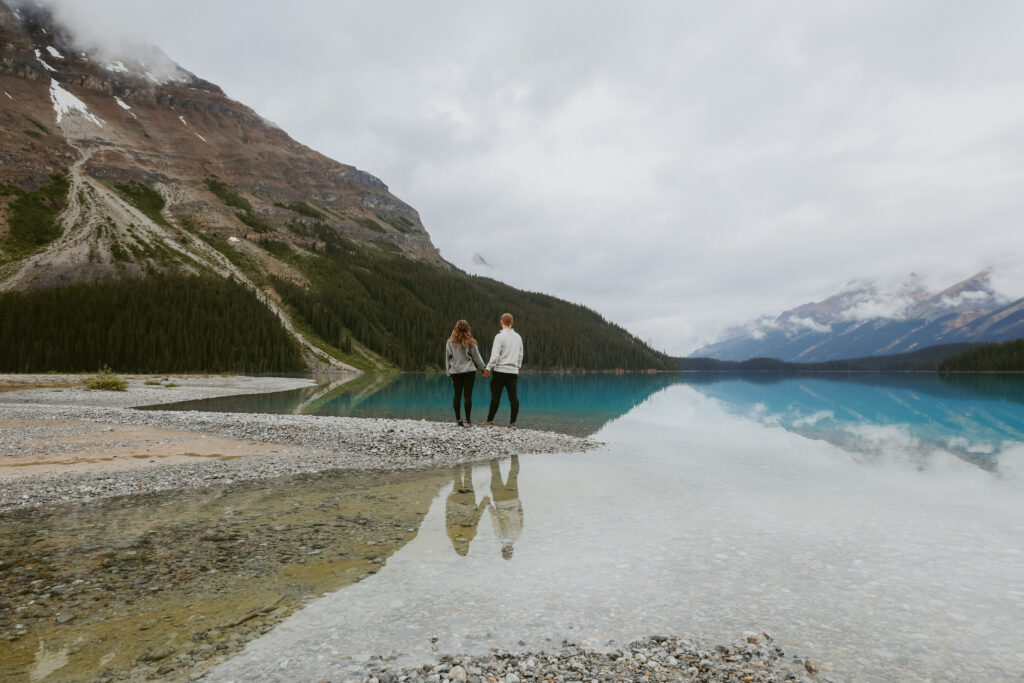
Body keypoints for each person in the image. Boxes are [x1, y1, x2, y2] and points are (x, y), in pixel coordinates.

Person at [484, 312, 523, 427]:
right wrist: (517, 367)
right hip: (513, 372)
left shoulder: (499, 336)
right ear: (512, 322)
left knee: (496, 397)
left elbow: (495, 355)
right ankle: (513, 423)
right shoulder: (518, 337)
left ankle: (490, 421)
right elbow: (520, 355)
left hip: (500, 371)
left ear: (501, 322)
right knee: (513, 397)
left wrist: (488, 368)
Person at [445, 319, 486, 426]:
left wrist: (449, 373)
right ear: (468, 329)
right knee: (468, 396)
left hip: (455, 372)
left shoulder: (450, 342)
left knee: (457, 395)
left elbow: (448, 358)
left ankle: (458, 420)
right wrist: (483, 369)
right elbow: (477, 358)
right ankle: (468, 420)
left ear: (455, 328)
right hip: (469, 372)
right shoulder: (471, 342)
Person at [486, 456, 523, 560]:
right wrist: (489, 505)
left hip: (513, 498)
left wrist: (518, 502)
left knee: (513, 475)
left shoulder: (518, 534)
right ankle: (493, 455)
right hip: (500, 500)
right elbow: (496, 519)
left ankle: (514, 455)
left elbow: (521, 515)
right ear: (502, 549)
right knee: (495, 475)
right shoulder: (500, 536)